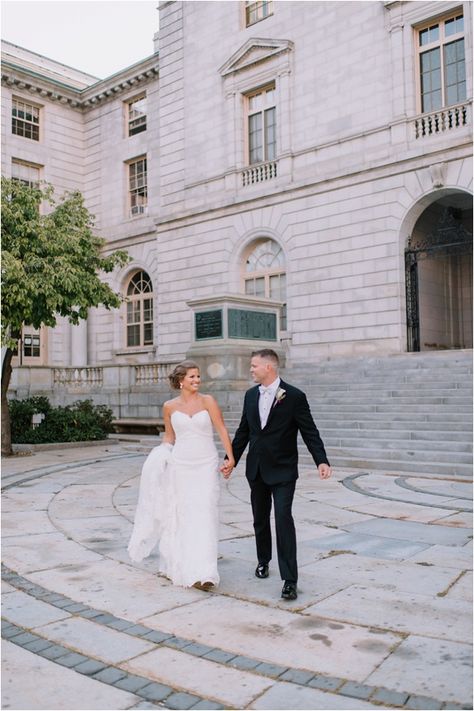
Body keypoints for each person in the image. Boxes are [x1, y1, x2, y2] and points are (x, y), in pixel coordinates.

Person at [221, 348, 331, 601]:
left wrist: (321, 460)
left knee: (283, 519)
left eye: (254, 366)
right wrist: (231, 460)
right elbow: (243, 432)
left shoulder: (294, 396)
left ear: (268, 367)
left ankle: (290, 580)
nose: (251, 369)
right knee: (259, 519)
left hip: (283, 470)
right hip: (256, 469)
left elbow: (309, 431)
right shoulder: (250, 396)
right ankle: (263, 561)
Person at [128, 360, 235, 591]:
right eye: (192, 377)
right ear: (180, 381)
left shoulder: (208, 401)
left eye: (198, 376)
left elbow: (222, 429)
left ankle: (205, 571)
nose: (197, 380)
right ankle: (185, 565)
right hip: (181, 464)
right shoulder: (169, 406)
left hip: (205, 463)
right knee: (183, 514)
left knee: (205, 511)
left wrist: (230, 457)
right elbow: (169, 437)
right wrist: (160, 456)